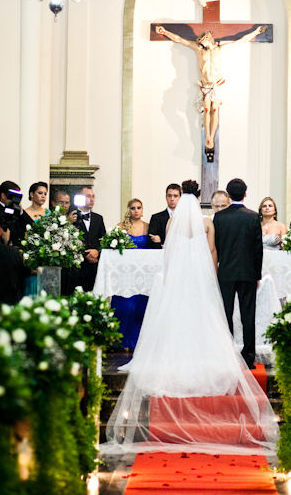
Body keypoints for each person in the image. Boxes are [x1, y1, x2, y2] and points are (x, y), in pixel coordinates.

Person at [102, 179, 276, 455]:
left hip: (178, 280)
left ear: (180, 197)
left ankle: (177, 357)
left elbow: (168, 253)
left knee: (175, 319)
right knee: (205, 320)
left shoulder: (173, 224)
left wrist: (171, 276)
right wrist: (210, 273)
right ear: (198, 197)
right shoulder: (207, 222)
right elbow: (212, 252)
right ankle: (210, 357)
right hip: (201, 279)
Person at [155, 24, 266, 156]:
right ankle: (208, 137)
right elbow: (180, 39)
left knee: (215, 110)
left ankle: (211, 138)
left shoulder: (220, 49)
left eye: (204, 42)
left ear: (210, 39)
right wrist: (165, 31)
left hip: (217, 84)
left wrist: (256, 32)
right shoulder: (199, 50)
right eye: (201, 43)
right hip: (205, 85)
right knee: (207, 110)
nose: (203, 44)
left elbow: (240, 41)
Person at [214, 178, 262, 369]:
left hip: (225, 271)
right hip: (248, 272)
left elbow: (216, 246)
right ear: (245, 193)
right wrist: (257, 274)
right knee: (247, 314)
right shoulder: (252, 217)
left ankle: (227, 355)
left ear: (227, 194)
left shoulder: (220, 217)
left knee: (225, 314)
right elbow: (258, 249)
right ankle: (249, 356)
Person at [112, 199, 150, 350]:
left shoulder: (148, 226)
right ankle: (120, 341)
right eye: (133, 208)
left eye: (139, 208)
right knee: (124, 306)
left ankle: (137, 341)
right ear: (128, 210)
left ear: (142, 209)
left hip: (143, 274)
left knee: (139, 307)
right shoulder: (120, 227)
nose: (136, 210)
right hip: (125, 274)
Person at [71, 185, 106, 291]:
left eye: (93, 196)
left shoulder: (98, 218)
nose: (92, 199)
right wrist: (85, 254)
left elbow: (103, 240)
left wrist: (97, 251)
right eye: (88, 196)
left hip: (94, 266)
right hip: (77, 267)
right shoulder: (71, 217)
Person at [147, 183, 181, 249]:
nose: (172, 199)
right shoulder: (156, 218)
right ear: (166, 197)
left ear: (180, 198)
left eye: (175, 196)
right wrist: (159, 243)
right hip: (161, 255)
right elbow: (150, 242)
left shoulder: (185, 217)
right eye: (169, 196)